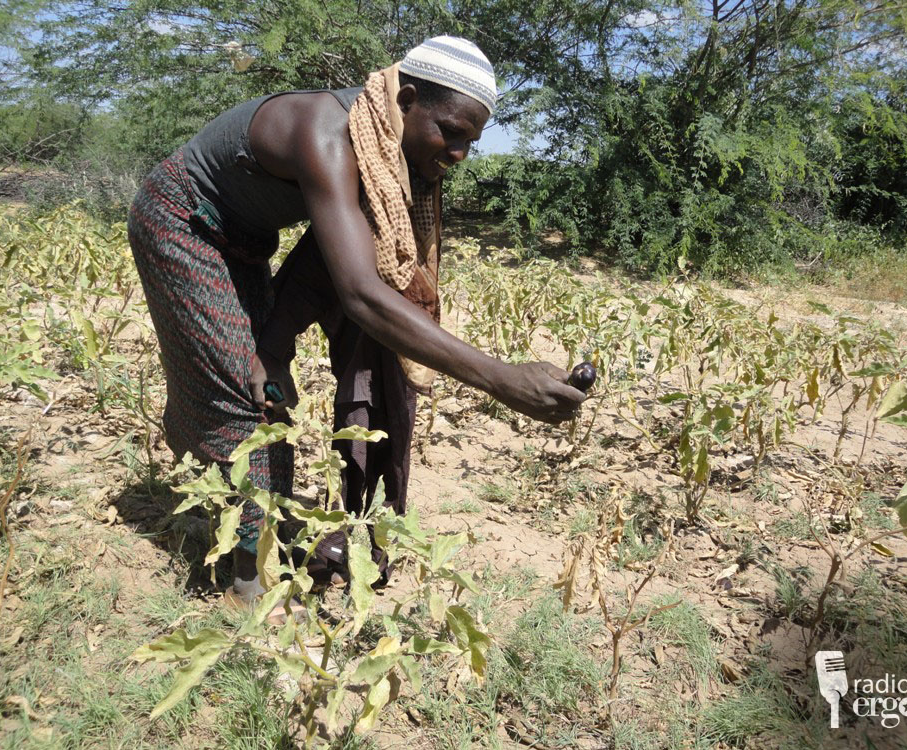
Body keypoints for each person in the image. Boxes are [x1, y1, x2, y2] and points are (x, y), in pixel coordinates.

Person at [127, 36, 585, 607]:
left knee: (262, 383)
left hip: (245, 242)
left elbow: (327, 250)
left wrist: (272, 344)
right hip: (181, 224)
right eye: (451, 131)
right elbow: (362, 294)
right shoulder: (328, 132)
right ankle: (247, 583)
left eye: (473, 140)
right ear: (409, 98)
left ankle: (248, 514)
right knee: (249, 410)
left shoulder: (384, 150)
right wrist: (501, 378)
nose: (460, 154)